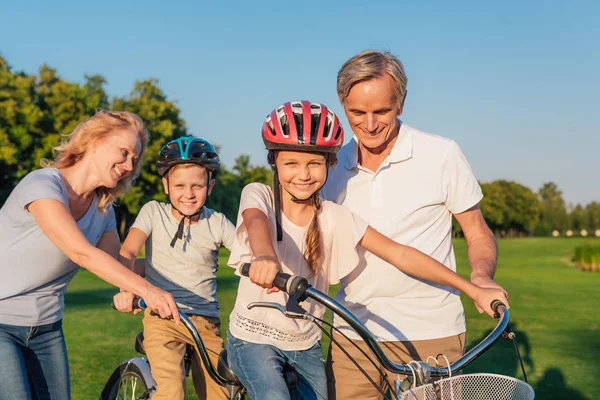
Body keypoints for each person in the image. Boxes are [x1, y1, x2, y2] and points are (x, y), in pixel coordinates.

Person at [226, 101, 508, 400]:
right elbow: (255, 223)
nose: (303, 174)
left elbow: (400, 254)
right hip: (253, 338)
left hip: (305, 344)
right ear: (274, 163)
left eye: (314, 164)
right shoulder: (260, 195)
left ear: (330, 165)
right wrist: (266, 257)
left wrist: (473, 288)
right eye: (291, 164)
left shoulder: (335, 217)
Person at [323, 50, 509, 399]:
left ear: (402, 102)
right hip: (353, 333)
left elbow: (476, 230)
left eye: (382, 111)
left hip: (431, 331)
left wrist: (481, 276)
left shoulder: (441, 154)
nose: (370, 124)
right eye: (357, 113)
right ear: (342, 105)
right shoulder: (330, 169)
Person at [0, 110, 180, 400]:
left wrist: (182, 266)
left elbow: (118, 264)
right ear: (95, 141)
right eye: (123, 152)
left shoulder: (103, 209)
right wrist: (148, 290)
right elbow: (81, 252)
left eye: (134, 159)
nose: (129, 164)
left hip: (47, 330)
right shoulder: (42, 185)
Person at [113, 136, 235, 400]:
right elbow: (129, 251)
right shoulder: (153, 212)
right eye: (179, 185)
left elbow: (246, 256)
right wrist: (126, 289)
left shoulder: (217, 222)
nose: (188, 194)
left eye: (197, 186)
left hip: (205, 321)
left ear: (210, 186)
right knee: (171, 391)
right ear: (166, 185)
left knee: (222, 393)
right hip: (161, 317)